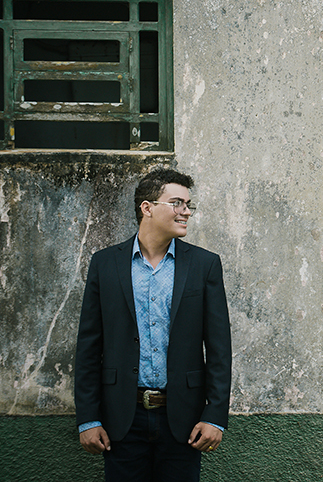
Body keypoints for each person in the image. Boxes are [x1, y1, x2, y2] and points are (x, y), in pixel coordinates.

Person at [75, 168, 232, 481]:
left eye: (188, 204)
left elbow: (219, 347)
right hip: (122, 417)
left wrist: (215, 415)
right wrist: (88, 418)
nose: (186, 211)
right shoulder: (105, 263)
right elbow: (89, 346)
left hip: (184, 420)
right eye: (177, 203)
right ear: (147, 208)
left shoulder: (204, 265)